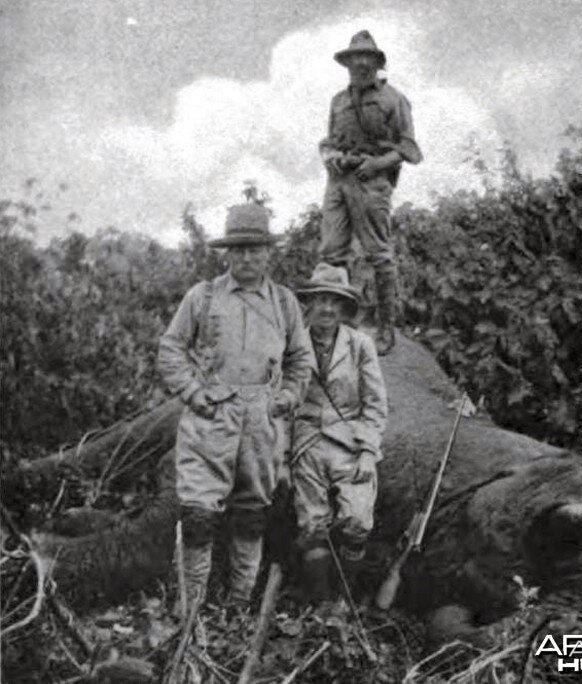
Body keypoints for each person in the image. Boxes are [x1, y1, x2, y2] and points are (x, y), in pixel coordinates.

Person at [158, 203, 313, 614]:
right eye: (238, 250)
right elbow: (171, 349)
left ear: (268, 252)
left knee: (251, 516)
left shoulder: (284, 303)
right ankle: (190, 610)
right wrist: (194, 393)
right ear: (227, 253)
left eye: (255, 249)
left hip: (262, 420)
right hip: (211, 417)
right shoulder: (203, 296)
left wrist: (286, 398)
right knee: (197, 515)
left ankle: (239, 607)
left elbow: (301, 360)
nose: (246, 258)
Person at [319, 30, 423, 355]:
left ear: (377, 63)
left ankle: (386, 329)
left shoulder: (394, 99)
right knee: (331, 253)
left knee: (379, 254)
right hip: (339, 181)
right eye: (354, 58)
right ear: (347, 63)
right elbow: (328, 143)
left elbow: (409, 149)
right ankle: (340, 324)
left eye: (366, 58)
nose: (359, 64)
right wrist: (332, 157)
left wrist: (378, 165)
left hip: (372, 182)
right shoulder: (338, 101)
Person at [291, 263, 388, 601]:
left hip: (349, 440)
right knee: (312, 524)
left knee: (358, 521)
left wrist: (366, 451)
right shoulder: (293, 344)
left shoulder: (360, 345)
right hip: (306, 440)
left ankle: (346, 601)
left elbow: (375, 404)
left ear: (344, 306)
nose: (327, 308)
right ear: (310, 303)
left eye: (335, 301)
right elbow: (279, 400)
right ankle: (322, 606)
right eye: (320, 300)